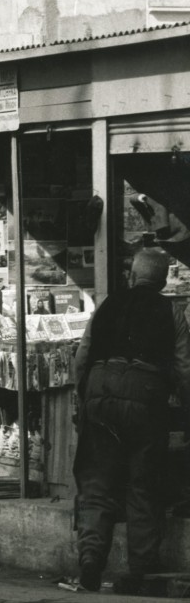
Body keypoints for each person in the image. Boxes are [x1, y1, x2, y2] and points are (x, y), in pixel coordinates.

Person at [72, 248, 190, 594]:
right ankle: (142, 569)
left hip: (100, 389)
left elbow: (83, 355)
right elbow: (184, 366)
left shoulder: (107, 305)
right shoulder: (173, 311)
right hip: (144, 395)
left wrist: (85, 398)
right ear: (164, 278)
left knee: (96, 483)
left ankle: (91, 561)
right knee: (143, 483)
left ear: (132, 275)